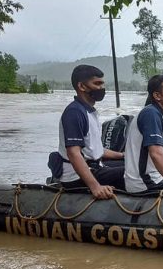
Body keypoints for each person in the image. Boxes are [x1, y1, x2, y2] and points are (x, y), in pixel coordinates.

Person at [50, 65, 125, 199]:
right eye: (97, 83)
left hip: (96, 166)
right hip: (75, 176)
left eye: (102, 84)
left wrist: (123, 155)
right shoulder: (75, 113)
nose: (101, 88)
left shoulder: (89, 111)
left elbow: (94, 149)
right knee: (135, 171)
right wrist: (95, 187)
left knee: (135, 163)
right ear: (82, 86)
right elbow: (74, 153)